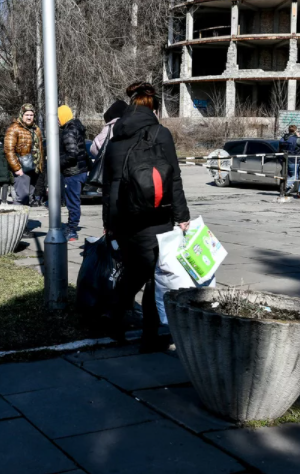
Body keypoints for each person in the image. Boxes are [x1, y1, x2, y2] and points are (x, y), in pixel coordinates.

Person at [102, 82, 190, 353]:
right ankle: (149, 337)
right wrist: (182, 216)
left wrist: (109, 224)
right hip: (154, 217)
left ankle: (114, 322)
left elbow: (107, 185)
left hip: (122, 217)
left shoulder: (115, 136)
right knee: (155, 275)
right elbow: (173, 176)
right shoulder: (160, 133)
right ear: (152, 105)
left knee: (132, 272)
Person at [4, 104, 44, 209]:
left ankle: (24, 223)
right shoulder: (14, 128)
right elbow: (8, 150)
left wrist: (40, 166)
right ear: (22, 115)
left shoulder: (36, 129)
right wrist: (17, 168)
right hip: (22, 169)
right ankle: (15, 222)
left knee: (29, 198)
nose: (29, 117)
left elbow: (40, 148)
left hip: (34, 169)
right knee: (22, 197)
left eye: (31, 114)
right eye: (27, 114)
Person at [58, 105, 88, 242]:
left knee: (73, 202)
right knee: (73, 201)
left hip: (73, 172)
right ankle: (72, 227)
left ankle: (72, 230)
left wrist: (57, 162)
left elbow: (72, 153)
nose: (57, 121)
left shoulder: (69, 130)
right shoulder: (77, 127)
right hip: (80, 170)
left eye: (58, 117)